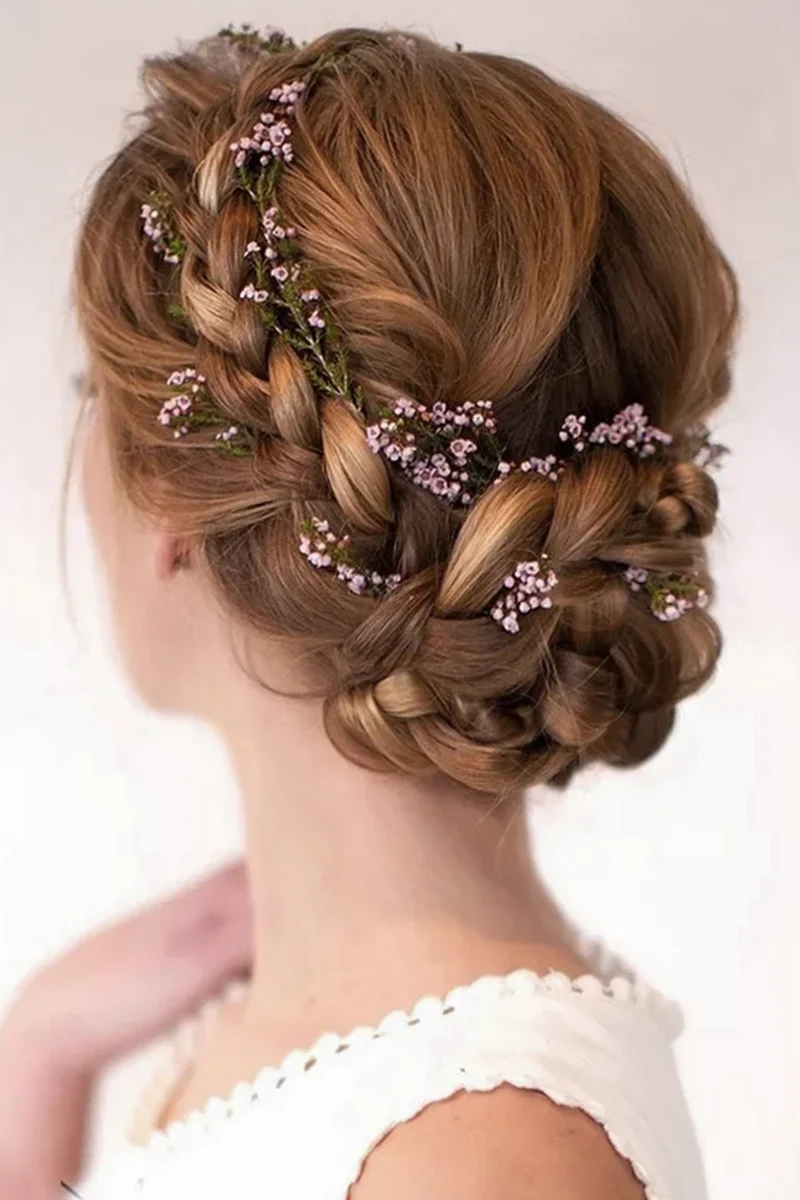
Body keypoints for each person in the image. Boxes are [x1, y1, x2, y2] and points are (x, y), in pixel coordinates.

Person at [0, 21, 739, 1200]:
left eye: (97, 391)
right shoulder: (380, 1074)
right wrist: (35, 1070)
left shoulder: (479, 1162)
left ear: (175, 510)